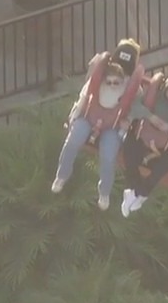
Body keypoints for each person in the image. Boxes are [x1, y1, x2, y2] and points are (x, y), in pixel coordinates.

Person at [52, 42, 142, 210]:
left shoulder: (134, 88)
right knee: (72, 140)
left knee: (108, 157)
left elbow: (136, 109)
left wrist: (127, 124)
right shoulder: (99, 75)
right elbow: (84, 96)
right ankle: (62, 175)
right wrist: (74, 116)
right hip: (89, 118)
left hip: (112, 127)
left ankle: (104, 192)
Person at [121, 63, 168, 217]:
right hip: (143, 137)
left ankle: (140, 193)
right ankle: (137, 192)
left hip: (165, 145)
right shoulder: (154, 93)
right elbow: (135, 107)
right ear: (166, 86)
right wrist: (150, 116)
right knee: (128, 151)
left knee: (165, 165)